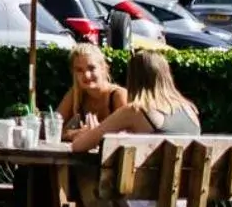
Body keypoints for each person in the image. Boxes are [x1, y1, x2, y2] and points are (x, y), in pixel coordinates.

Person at [68, 49, 200, 153]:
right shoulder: (191, 110)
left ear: (133, 79)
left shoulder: (135, 110)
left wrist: (92, 132)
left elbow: (78, 146)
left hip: (145, 187)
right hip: (189, 187)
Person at [57, 43, 127, 136]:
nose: (86, 75)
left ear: (103, 68)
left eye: (91, 68)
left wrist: (94, 133)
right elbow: (53, 127)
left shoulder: (118, 95)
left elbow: (127, 133)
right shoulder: (76, 94)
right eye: (79, 70)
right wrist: (78, 133)